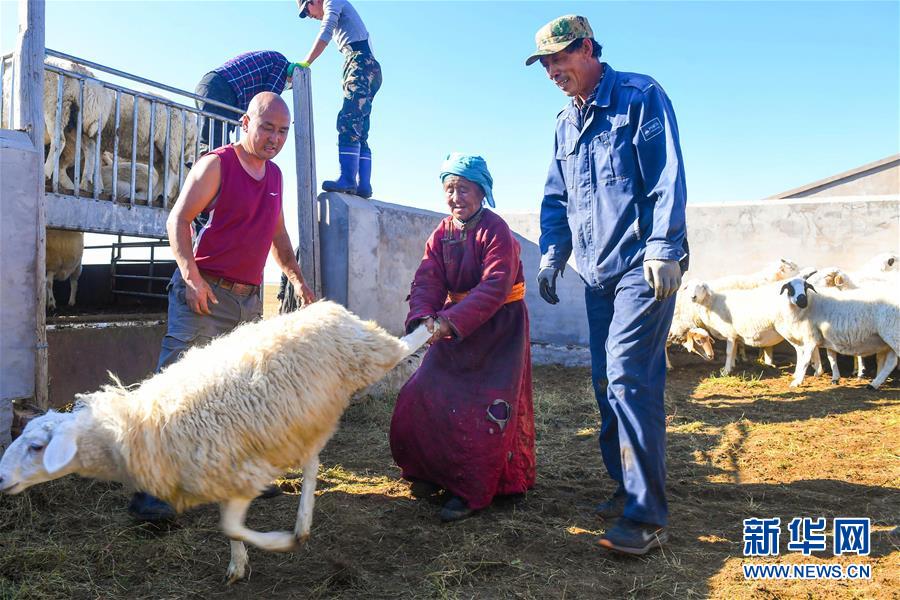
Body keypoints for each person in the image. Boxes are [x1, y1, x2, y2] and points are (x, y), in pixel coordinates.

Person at [526, 15, 688, 554]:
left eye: (560, 59)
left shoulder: (640, 97)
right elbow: (556, 200)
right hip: (595, 273)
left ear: (588, 48)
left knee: (628, 375)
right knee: (605, 383)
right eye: (545, 64)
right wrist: (552, 257)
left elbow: (665, 178)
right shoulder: (563, 124)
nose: (553, 71)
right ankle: (626, 489)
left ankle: (645, 517)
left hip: (642, 266)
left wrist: (665, 248)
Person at [128, 92, 316, 522]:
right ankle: (151, 491)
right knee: (177, 387)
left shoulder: (275, 176)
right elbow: (177, 219)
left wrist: (297, 278)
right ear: (246, 122)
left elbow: (278, 233)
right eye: (266, 127)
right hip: (205, 293)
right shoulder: (218, 164)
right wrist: (191, 277)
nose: (274, 138)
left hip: (247, 299)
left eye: (282, 131)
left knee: (238, 389)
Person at [389, 153, 536, 522]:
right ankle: (427, 473)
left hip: (499, 331)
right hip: (453, 330)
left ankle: (473, 491)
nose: (456, 197)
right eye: (449, 189)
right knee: (420, 394)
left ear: (482, 192)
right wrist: (422, 317)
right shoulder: (442, 233)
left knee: (484, 411)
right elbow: (428, 278)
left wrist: (447, 324)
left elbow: (494, 288)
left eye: (464, 189)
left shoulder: (496, 231)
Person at [297, 0, 382, 198]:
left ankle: (348, 180)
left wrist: (306, 62)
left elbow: (326, 30)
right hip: (368, 65)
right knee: (360, 126)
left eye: (306, 10)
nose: (309, 16)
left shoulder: (332, 2)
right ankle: (364, 186)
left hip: (359, 62)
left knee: (348, 120)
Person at [195, 51, 300, 153]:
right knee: (218, 149)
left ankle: (196, 164)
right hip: (221, 90)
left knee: (209, 139)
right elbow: (267, 103)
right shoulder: (282, 67)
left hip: (209, 86)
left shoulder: (271, 60)